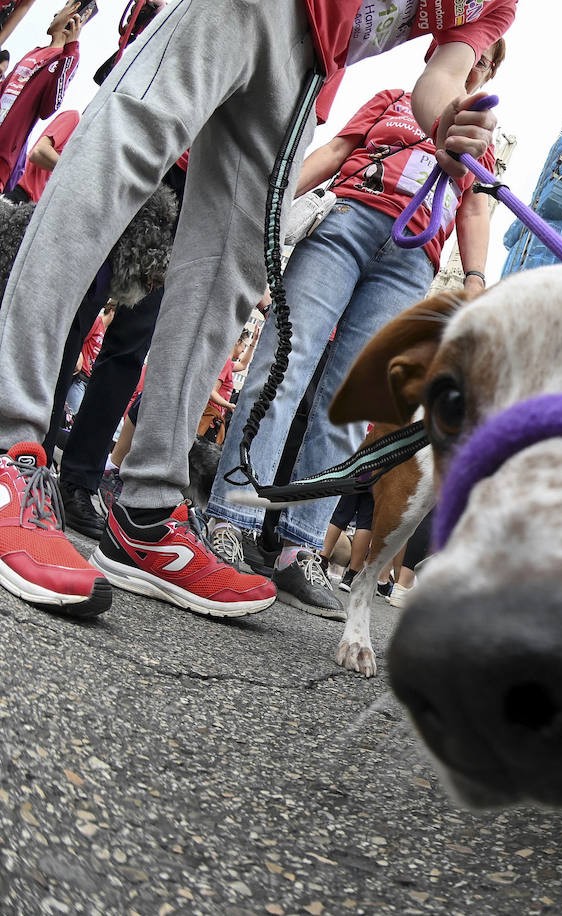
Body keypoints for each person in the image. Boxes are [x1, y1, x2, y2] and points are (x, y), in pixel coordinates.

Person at [0, 0, 517, 621]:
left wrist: (446, 122)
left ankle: (146, 508)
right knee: (126, 149)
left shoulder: (498, 5)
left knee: (231, 262)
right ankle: (8, 444)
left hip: (311, 68)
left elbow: (438, 78)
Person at [206, 50, 503, 617]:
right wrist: (274, 200)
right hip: (347, 221)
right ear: (439, 56)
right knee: (281, 367)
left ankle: (300, 546)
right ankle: (230, 519)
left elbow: (476, 210)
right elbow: (337, 151)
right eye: (469, 53)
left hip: (411, 262)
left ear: (490, 74)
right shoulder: (393, 101)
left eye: (487, 60)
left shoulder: (480, 138)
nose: (476, 64)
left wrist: (474, 279)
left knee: (351, 401)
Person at [0, 2, 82, 185]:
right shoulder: (35, 52)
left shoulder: (66, 58)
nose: (55, 14)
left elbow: (49, 108)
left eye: (61, 10)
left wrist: (70, 51)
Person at [2, 108, 76, 204]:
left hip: (36, 205)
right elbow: (38, 152)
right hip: (21, 194)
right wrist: (73, 168)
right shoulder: (74, 119)